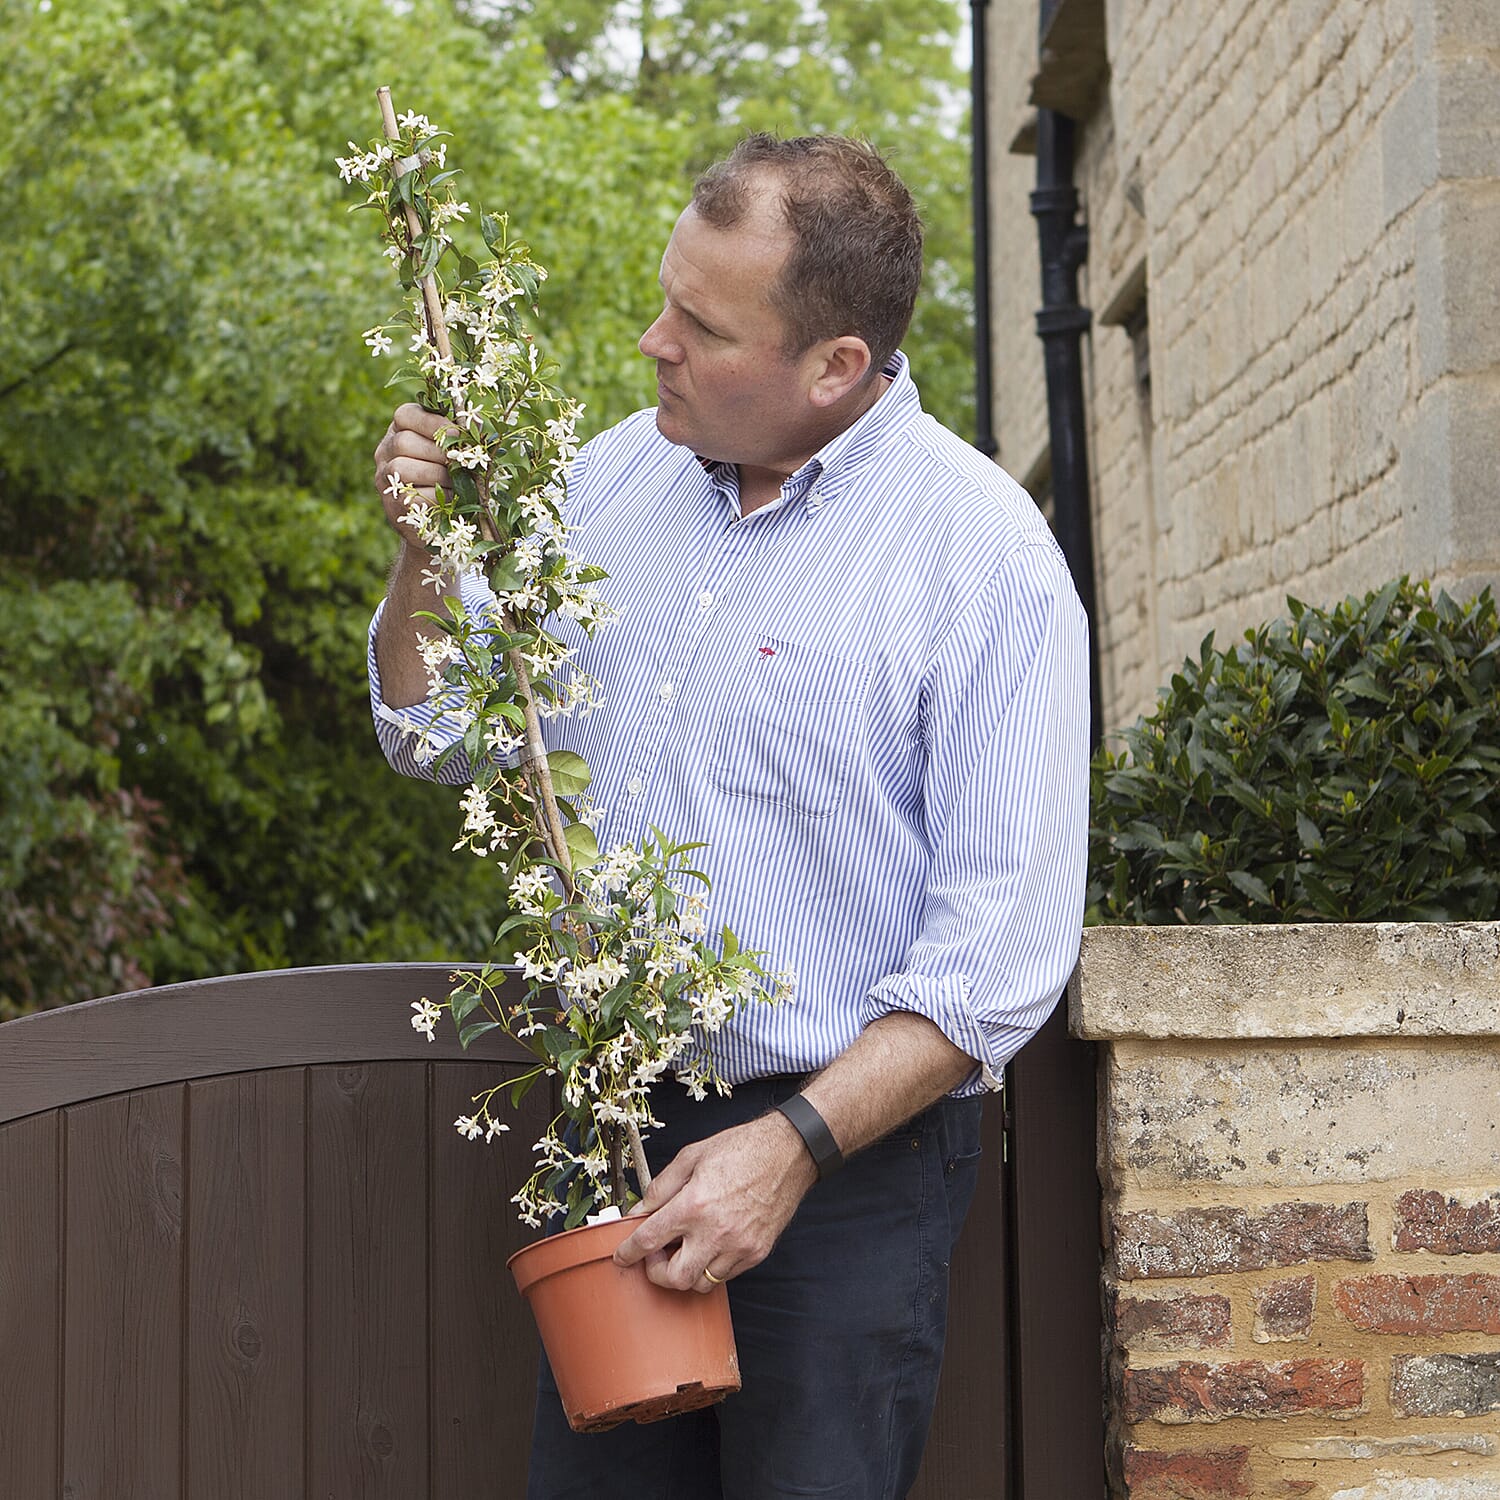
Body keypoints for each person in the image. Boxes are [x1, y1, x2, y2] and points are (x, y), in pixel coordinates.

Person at [369, 134, 1090, 1500]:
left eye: (701, 328)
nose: (654, 344)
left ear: (835, 365)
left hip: (844, 1166)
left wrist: (789, 1149)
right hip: (616, 1132)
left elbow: (1000, 952)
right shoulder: (604, 486)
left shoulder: (984, 562)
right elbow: (438, 733)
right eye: (667, 301)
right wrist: (425, 558)